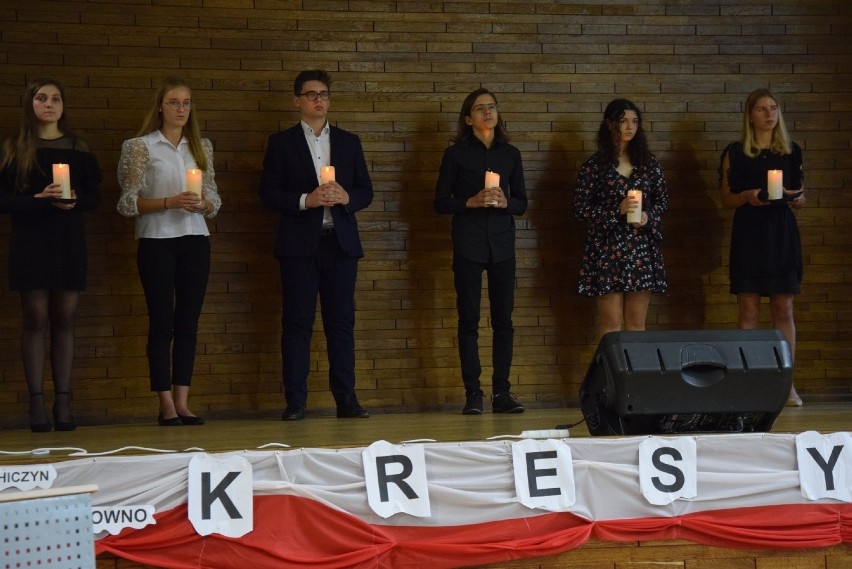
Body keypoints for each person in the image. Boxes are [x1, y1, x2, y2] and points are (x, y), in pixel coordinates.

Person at [259, 69, 373, 421]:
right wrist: (304, 201)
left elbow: (366, 190)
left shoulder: (349, 141)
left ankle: (346, 399)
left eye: (323, 93)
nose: (318, 99)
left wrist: (347, 196)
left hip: (340, 244)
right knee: (297, 324)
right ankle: (296, 402)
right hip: (298, 246)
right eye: (310, 94)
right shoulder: (281, 143)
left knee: (341, 325)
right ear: (297, 100)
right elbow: (268, 193)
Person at [117, 77, 221, 426]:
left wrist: (203, 203)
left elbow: (215, 201)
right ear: (160, 106)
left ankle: (183, 400)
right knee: (162, 321)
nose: (180, 109)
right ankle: (164, 403)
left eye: (186, 103)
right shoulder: (140, 146)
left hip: (195, 239)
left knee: (188, 322)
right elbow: (127, 202)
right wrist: (168, 202)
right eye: (174, 102)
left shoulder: (201, 146)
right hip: (156, 241)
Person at [0, 78, 102, 432]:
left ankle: (63, 402)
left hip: (68, 239)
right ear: (30, 104)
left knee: (65, 317)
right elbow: (3, 200)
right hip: (31, 240)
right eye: (42, 98)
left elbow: (94, 198)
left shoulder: (77, 145)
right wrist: (35, 201)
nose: (49, 104)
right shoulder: (14, 147)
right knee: (35, 316)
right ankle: (36, 405)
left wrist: (72, 202)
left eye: (56, 98)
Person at [434, 88, 528, 415]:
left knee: (504, 320)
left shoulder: (511, 154)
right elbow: (440, 202)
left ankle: (502, 392)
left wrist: (506, 202)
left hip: (502, 244)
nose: (487, 113)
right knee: (469, 319)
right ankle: (473, 393)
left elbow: (522, 203)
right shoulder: (456, 155)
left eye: (491, 107)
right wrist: (469, 202)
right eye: (479, 108)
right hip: (469, 242)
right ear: (468, 118)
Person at [719, 88, 806, 407]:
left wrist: (792, 196)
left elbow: (801, 198)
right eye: (761, 109)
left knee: (784, 308)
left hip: (781, 232)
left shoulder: (792, 150)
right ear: (750, 115)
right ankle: (749, 380)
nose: (769, 114)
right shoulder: (737, 151)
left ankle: (786, 383)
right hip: (750, 232)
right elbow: (727, 198)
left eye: (774, 108)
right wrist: (747, 196)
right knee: (749, 309)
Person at [574, 99, 668, 340]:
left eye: (634, 122)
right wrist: (617, 209)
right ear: (609, 124)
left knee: (637, 326)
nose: (630, 127)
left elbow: (662, 201)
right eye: (623, 121)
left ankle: (636, 378)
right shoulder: (594, 166)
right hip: (607, 249)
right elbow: (581, 209)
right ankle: (610, 377)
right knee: (611, 327)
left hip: (640, 248)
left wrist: (648, 216)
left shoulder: (648, 164)